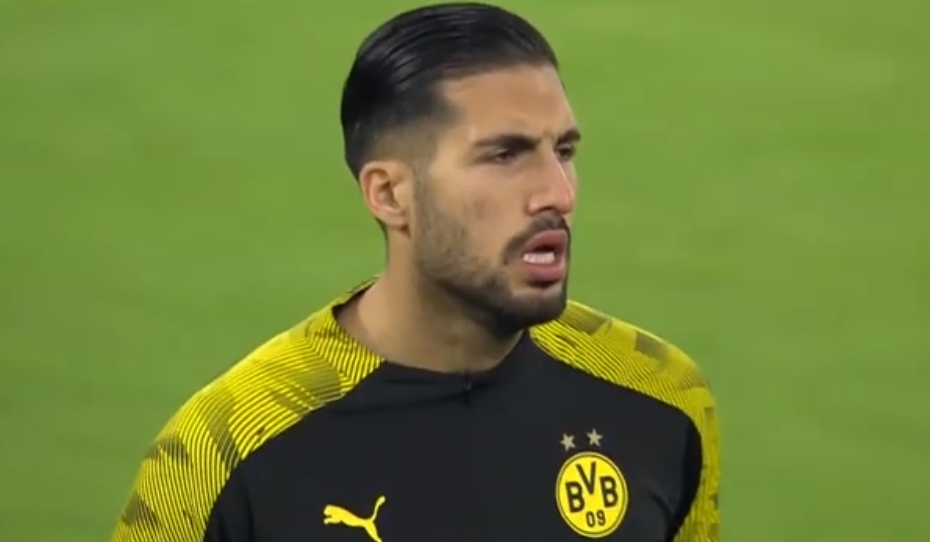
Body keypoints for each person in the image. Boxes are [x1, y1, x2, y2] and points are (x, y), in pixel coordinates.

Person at [109, 3, 720, 542]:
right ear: (390, 194)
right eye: (505, 155)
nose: (558, 194)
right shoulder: (226, 449)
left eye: (563, 151)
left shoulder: (658, 398)